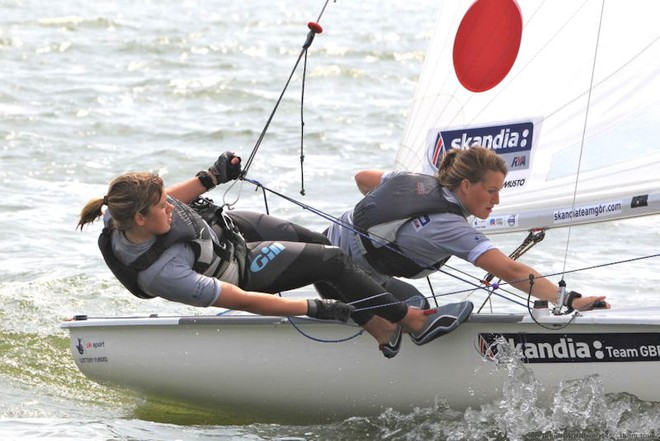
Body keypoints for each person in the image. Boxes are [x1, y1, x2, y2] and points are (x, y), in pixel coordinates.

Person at [77, 152, 473, 359]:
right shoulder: (164, 273)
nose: (170, 208)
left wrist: (211, 177)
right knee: (331, 261)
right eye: (161, 208)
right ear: (142, 220)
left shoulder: (121, 210)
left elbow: (171, 202)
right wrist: (314, 308)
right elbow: (243, 300)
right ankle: (409, 322)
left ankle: (378, 318)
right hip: (239, 267)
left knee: (323, 245)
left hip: (227, 230)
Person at [325, 146, 610, 315]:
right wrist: (570, 300)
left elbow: (363, 178)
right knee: (417, 315)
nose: (496, 200)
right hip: (341, 278)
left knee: (419, 305)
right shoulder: (450, 227)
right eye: (491, 191)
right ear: (465, 186)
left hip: (327, 248)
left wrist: (383, 218)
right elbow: (510, 271)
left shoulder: (415, 181)